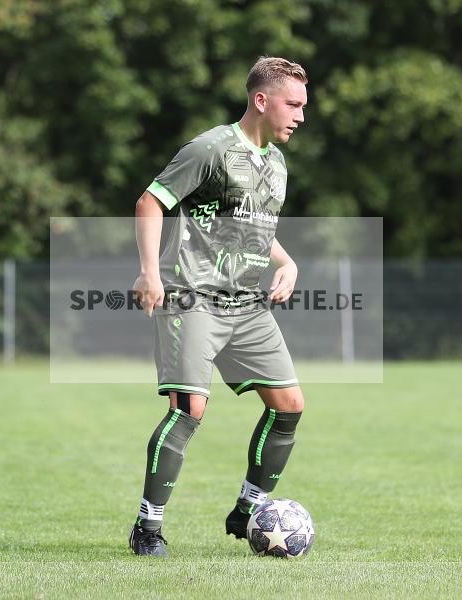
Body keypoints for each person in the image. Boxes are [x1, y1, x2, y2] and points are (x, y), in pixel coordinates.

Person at [129, 56, 308, 557]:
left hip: (248, 305)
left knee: (289, 406)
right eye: (293, 105)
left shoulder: (276, 164)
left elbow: (254, 229)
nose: (300, 116)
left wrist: (287, 262)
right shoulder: (210, 149)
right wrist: (148, 271)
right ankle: (148, 527)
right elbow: (150, 201)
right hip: (192, 296)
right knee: (190, 409)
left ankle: (249, 509)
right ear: (261, 100)